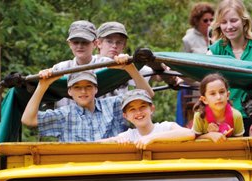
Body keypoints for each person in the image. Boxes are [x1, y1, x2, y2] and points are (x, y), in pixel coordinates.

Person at [20, 55, 154, 142]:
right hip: (80, 172)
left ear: (96, 89)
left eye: (88, 86)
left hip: (115, 169)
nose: (83, 91)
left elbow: (146, 95)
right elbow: (28, 120)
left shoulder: (114, 104)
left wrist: (130, 68)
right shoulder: (64, 114)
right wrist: (43, 85)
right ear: (70, 92)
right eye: (77, 87)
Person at [101, 89, 195, 149]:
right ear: (126, 116)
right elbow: (95, 144)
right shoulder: (128, 135)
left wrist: (152, 138)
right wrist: (116, 140)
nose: (138, 112)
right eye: (132, 109)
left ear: (152, 109)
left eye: (142, 107)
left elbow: (189, 133)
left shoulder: (166, 127)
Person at [51, 21, 111, 107]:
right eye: (76, 42)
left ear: (95, 43)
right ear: (69, 44)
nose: (80, 46)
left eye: (85, 42)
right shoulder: (60, 69)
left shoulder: (106, 64)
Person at [208, 0, 252, 64]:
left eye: (234, 21)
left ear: (244, 21)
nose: (229, 27)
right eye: (223, 22)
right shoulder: (218, 47)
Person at [192, 73, 244, 142]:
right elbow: (193, 140)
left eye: (222, 92)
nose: (218, 97)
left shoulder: (236, 116)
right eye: (213, 94)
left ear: (228, 95)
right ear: (204, 99)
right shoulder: (200, 116)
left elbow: (240, 143)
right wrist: (210, 135)